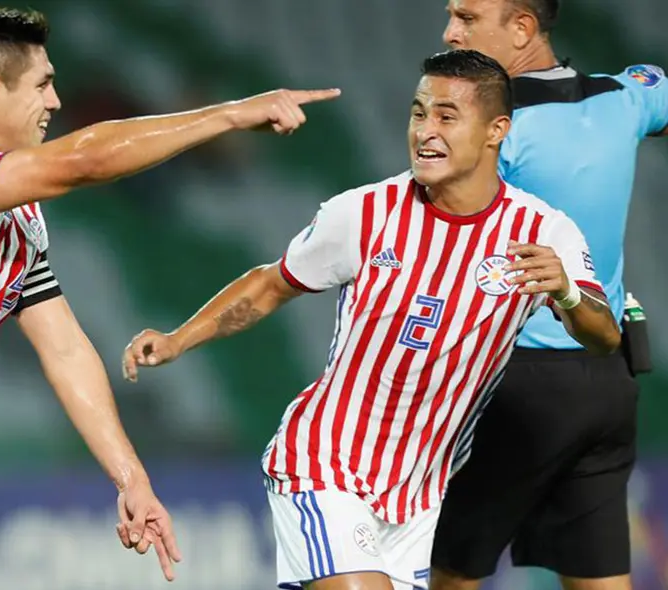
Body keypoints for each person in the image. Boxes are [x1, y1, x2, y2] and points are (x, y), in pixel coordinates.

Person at [0, 6, 340, 590]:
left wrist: (130, 477)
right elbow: (87, 160)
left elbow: (66, 349)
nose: (55, 101)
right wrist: (226, 115)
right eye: (44, 84)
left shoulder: (20, 215)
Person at [122, 49, 621, 590]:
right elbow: (271, 283)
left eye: (446, 116)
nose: (425, 131)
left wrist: (568, 293)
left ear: (496, 130)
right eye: (418, 112)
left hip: (419, 498)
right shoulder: (364, 212)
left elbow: (603, 337)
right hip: (324, 467)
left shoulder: (543, 231)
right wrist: (178, 340)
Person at [430, 2, 668, 589]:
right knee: (600, 578)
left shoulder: (487, 129)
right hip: (605, 381)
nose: (450, 32)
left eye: (466, 17)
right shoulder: (626, 98)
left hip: (514, 386)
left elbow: (437, 249)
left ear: (521, 29)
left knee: (449, 573)